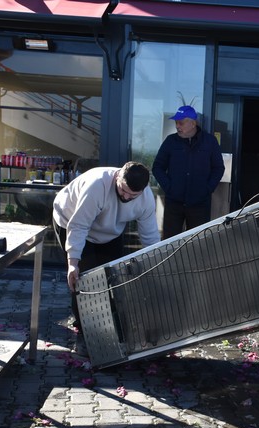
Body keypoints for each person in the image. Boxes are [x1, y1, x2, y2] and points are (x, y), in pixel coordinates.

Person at [52, 161, 160, 328]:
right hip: (70, 220)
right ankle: (83, 329)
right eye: (123, 190)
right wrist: (73, 263)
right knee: (84, 278)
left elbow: (150, 236)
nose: (126, 197)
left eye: (132, 195)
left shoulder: (146, 200)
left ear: (142, 190)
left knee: (113, 277)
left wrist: (156, 263)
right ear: (118, 176)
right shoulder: (97, 186)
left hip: (109, 230)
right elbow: (79, 226)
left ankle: (112, 324)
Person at [152, 105, 225, 239]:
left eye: (181, 122)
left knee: (197, 244)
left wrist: (207, 189)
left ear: (193, 123)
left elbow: (218, 168)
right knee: (170, 243)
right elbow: (157, 167)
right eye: (176, 123)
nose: (177, 126)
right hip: (174, 204)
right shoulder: (170, 141)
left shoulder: (209, 142)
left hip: (199, 204)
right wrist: (169, 188)